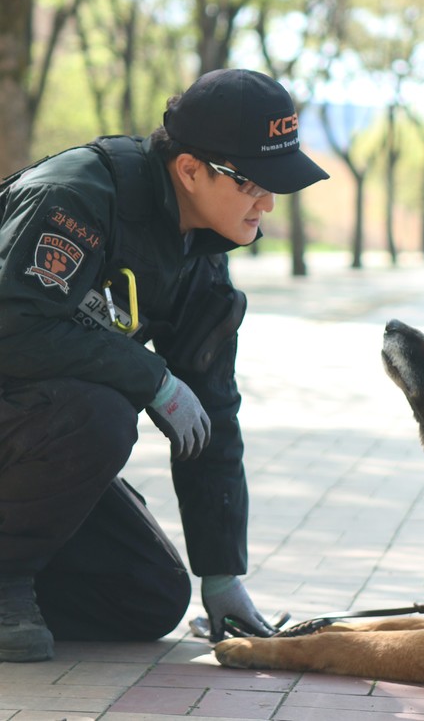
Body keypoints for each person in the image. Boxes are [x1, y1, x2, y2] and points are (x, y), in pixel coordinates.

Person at [0, 68, 329, 661]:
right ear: (189, 170)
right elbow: (13, 330)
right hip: (29, 417)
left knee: (145, 597)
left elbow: (212, 412)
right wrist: (151, 377)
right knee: (98, 414)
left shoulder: (200, 252)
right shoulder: (74, 199)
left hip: (25, 437)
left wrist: (222, 571)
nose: (269, 203)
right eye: (253, 182)